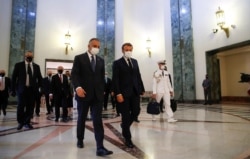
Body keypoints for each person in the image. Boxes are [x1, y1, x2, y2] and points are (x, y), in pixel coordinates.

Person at [71, 38, 113, 156]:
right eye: (94, 45)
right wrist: (78, 88)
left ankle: (100, 147)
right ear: (88, 46)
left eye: (98, 46)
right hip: (83, 94)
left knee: (97, 120)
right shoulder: (79, 58)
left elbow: (101, 78)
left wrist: (102, 90)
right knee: (81, 118)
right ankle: (80, 139)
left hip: (97, 96)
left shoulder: (100, 60)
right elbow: (74, 75)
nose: (96, 48)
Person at [112, 42, 145, 148]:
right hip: (123, 94)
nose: (128, 51)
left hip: (135, 92)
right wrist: (118, 93)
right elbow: (115, 79)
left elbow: (138, 75)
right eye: (126, 50)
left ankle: (124, 126)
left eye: (130, 50)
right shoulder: (117, 63)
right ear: (122, 50)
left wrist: (142, 88)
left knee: (136, 111)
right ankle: (128, 139)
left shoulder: (135, 62)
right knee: (125, 116)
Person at [11, 51, 43, 130]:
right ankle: (21, 122)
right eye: (27, 55)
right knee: (21, 106)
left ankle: (27, 122)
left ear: (33, 57)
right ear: (24, 56)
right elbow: (13, 78)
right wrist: (13, 89)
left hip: (32, 90)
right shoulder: (18, 65)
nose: (29, 57)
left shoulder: (36, 67)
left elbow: (40, 78)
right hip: (21, 89)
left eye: (30, 56)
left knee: (30, 107)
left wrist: (38, 87)